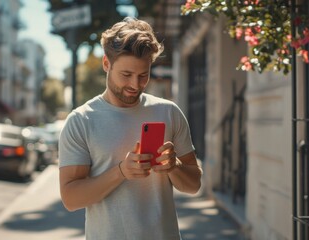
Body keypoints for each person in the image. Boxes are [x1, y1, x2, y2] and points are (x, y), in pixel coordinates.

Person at [58, 17, 203, 240]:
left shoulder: (169, 112)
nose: (135, 85)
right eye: (126, 75)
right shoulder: (81, 121)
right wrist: (121, 172)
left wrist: (173, 167)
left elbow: (194, 184)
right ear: (106, 64)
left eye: (143, 75)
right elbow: (71, 198)